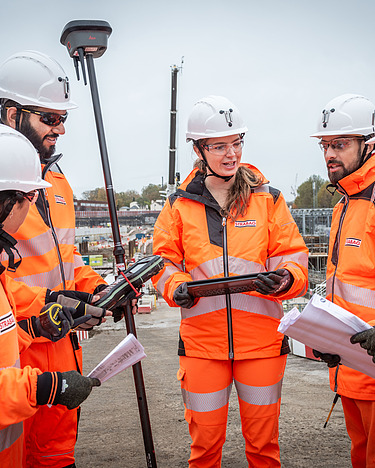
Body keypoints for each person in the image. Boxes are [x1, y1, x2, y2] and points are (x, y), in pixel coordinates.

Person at [152, 95, 308, 467]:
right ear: (199, 149)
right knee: (204, 450)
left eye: (237, 143)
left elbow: (294, 257)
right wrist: (176, 287)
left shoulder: (267, 199)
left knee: (264, 449)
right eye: (220, 146)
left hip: (262, 346)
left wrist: (287, 279)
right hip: (203, 348)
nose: (231, 154)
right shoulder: (178, 205)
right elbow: (162, 262)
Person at [0, 50, 111, 467]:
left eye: (63, 117)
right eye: (49, 117)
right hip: (17, 352)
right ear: (11, 114)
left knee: (56, 457)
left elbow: (66, 256)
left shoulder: (56, 182)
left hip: (59, 343)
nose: (60, 128)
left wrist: (93, 289)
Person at [311, 93, 375, 467]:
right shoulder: (345, 205)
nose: (330, 154)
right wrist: (326, 336)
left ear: (369, 145)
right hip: (352, 367)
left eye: (340, 144)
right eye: (325, 145)